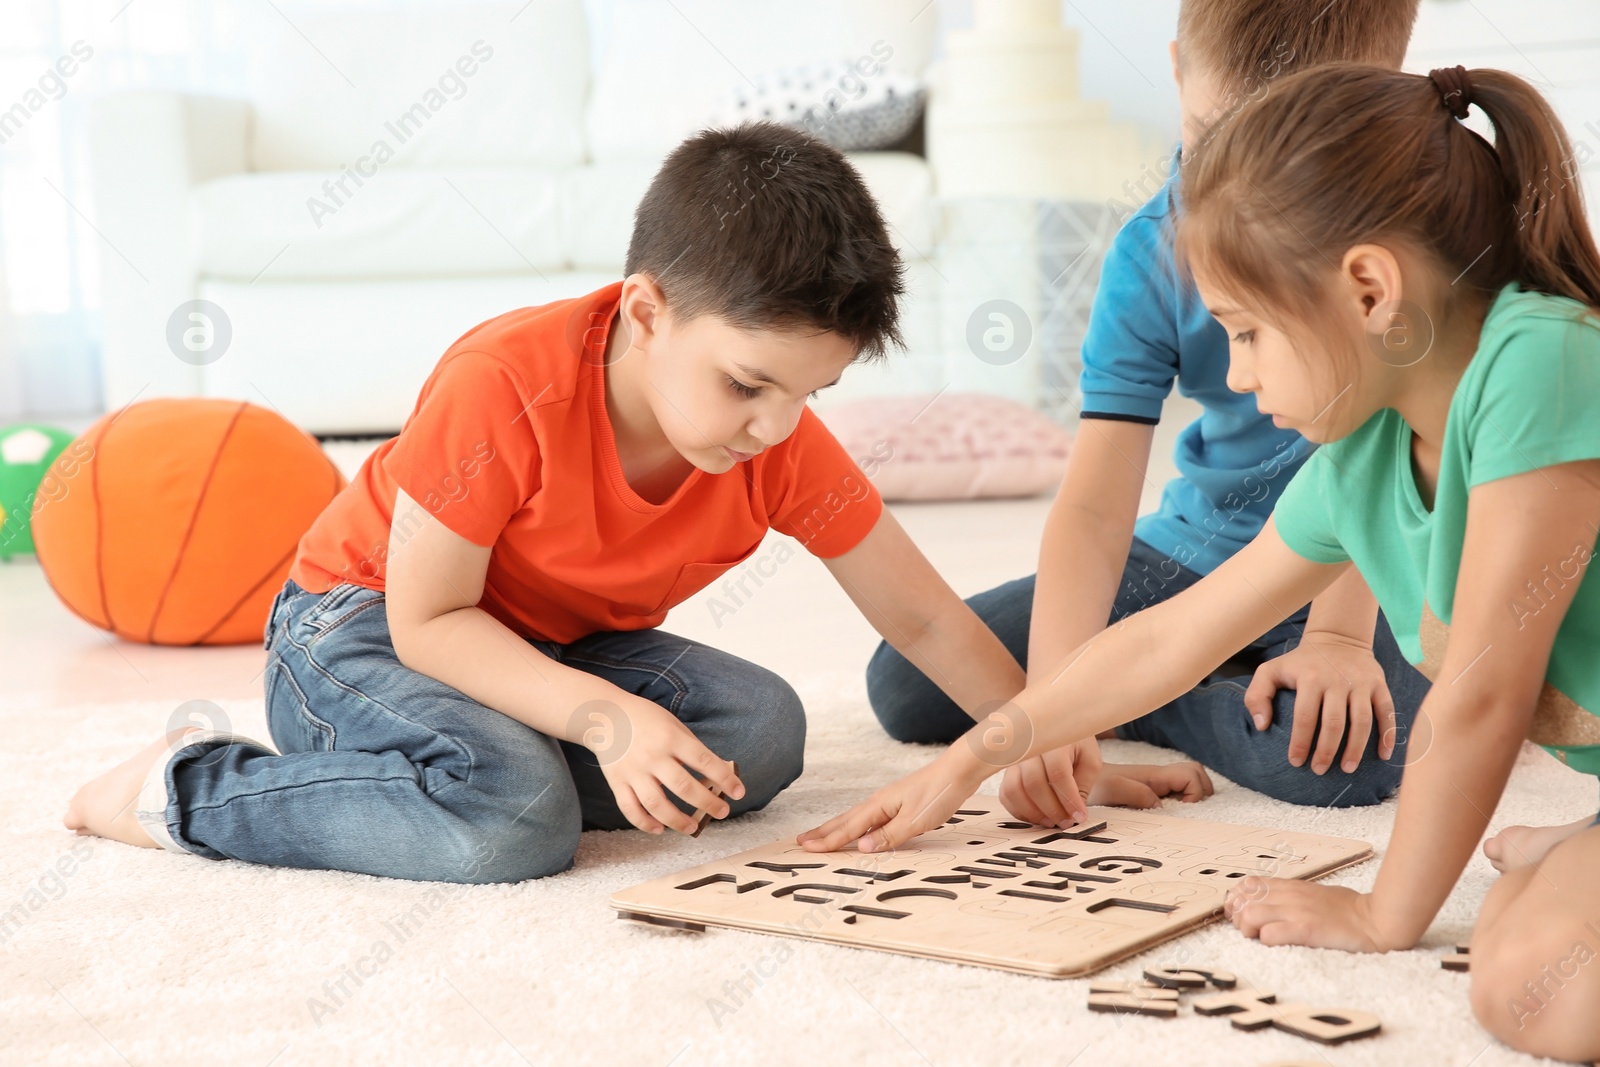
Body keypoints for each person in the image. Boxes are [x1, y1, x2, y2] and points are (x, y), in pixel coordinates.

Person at [65, 123, 1172, 884]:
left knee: (761, 732)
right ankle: (189, 792)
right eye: (748, 384)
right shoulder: (505, 384)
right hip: (357, 630)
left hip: (553, 644)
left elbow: (923, 618)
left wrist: (1053, 741)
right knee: (511, 822)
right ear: (645, 311)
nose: (777, 426)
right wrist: (605, 719)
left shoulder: (774, 434)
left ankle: (475, 768)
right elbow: (429, 619)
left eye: (812, 392)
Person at [802, 64, 1600, 1063]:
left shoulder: (1544, 361)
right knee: (1530, 936)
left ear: (1366, 287)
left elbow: (1480, 698)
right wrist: (974, 755)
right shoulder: (1356, 462)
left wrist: (1382, 914)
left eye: (1247, 329)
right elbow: (1176, 636)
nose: (1232, 372)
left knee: (1533, 987)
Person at [867, 0, 1430, 822]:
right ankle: (1142, 672)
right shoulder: (1152, 249)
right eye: (1215, 139)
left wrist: (1340, 640)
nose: (1243, 195)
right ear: (1176, 70)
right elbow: (1094, 506)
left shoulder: (1408, 248)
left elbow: (1385, 457)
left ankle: (1153, 686)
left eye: (1287, 156)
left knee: (1340, 760)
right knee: (909, 685)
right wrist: (1056, 704)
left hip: (1364, 573)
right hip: (1193, 555)